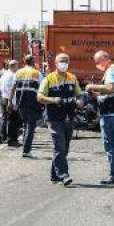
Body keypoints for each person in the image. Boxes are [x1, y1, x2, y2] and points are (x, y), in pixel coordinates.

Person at [37, 53, 83, 186]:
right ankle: (64, 175)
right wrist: (52, 99)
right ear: (56, 64)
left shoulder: (72, 78)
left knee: (64, 148)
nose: (64, 63)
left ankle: (54, 175)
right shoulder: (49, 79)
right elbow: (39, 97)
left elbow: (79, 94)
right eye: (61, 61)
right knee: (60, 146)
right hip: (54, 118)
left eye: (66, 61)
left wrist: (80, 101)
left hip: (69, 117)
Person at [86, 50, 114, 184]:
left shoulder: (111, 71)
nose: (97, 64)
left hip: (110, 113)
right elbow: (108, 93)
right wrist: (97, 95)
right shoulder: (112, 70)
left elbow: (110, 88)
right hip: (112, 111)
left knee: (111, 145)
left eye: (98, 62)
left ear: (105, 59)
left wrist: (92, 86)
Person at [12, 55, 43, 158]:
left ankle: (25, 148)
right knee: (30, 126)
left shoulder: (18, 72)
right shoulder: (36, 73)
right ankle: (26, 150)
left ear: (24, 61)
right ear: (33, 62)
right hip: (32, 103)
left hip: (21, 103)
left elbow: (13, 88)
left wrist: (10, 102)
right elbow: (42, 89)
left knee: (26, 125)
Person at [0, 60, 20, 146]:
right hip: (9, 100)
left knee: (5, 119)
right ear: (13, 66)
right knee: (13, 120)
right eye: (17, 66)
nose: (18, 68)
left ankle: (4, 137)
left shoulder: (4, 74)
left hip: (3, 98)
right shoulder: (12, 75)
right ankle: (12, 140)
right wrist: (12, 102)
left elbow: (2, 88)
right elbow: (11, 90)